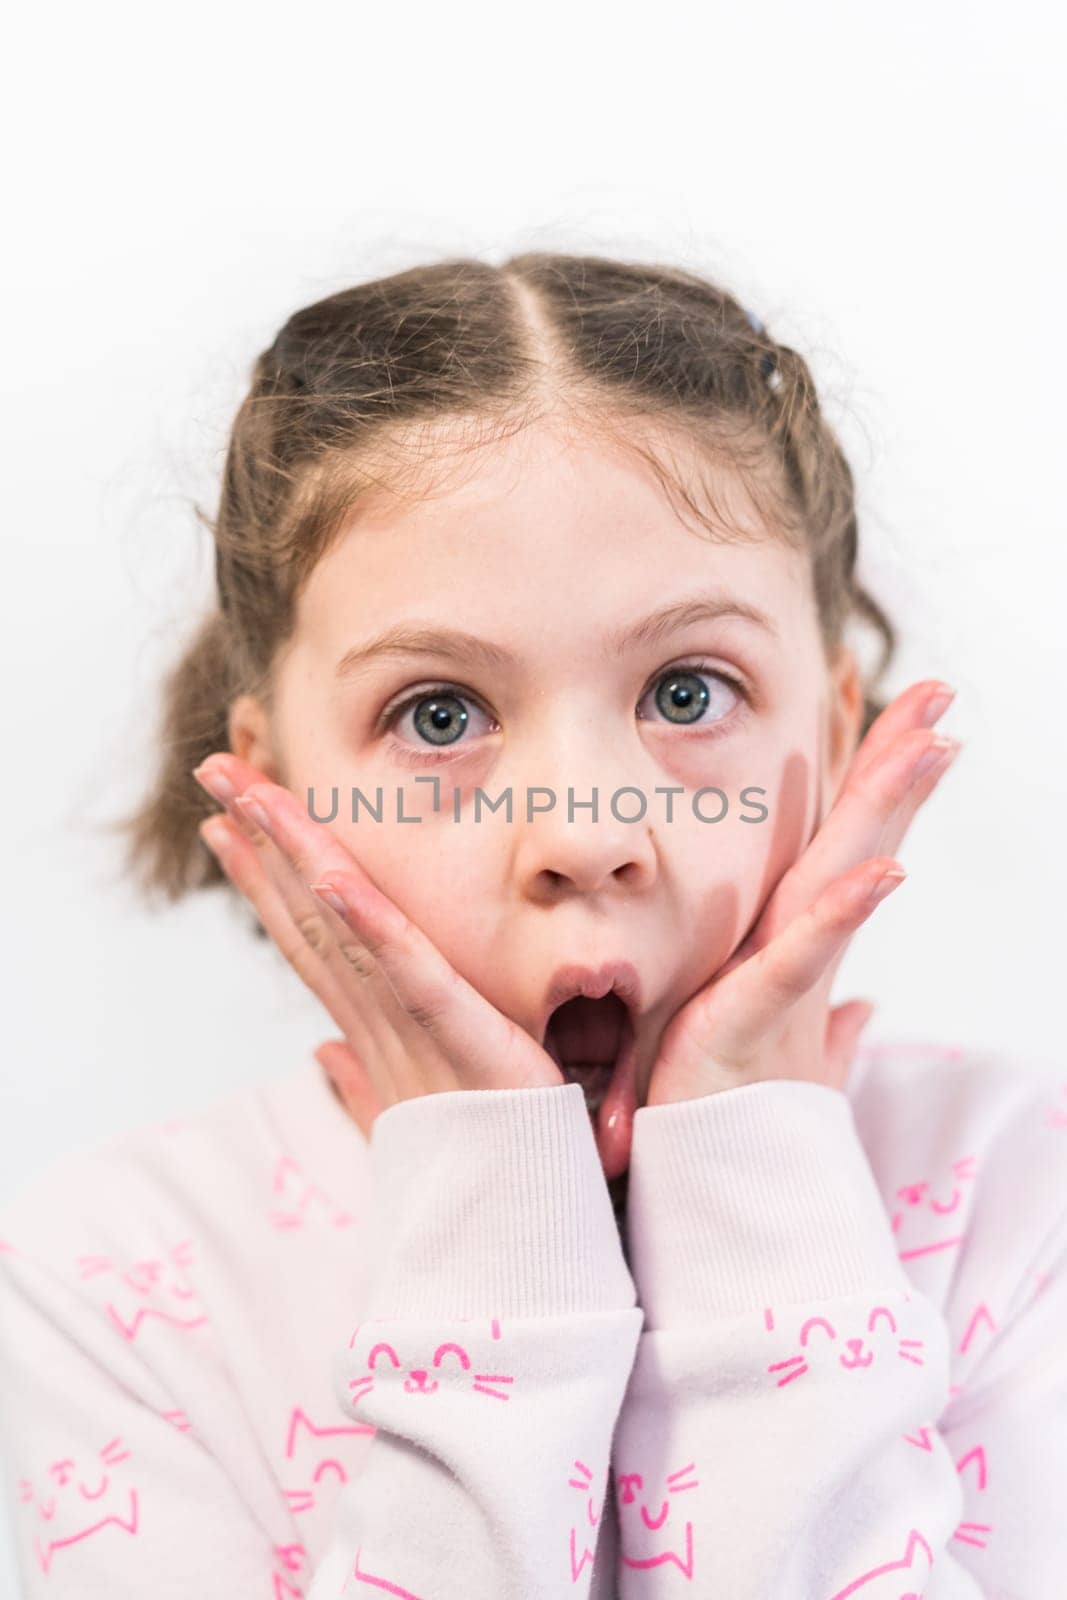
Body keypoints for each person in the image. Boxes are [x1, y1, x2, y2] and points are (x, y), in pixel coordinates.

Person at [1, 252, 1064, 1599]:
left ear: (839, 733)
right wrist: (487, 1228)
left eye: (688, 691)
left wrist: (758, 1192)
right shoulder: (117, 1278)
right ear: (274, 794)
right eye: (438, 714)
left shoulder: (1022, 1191)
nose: (585, 833)